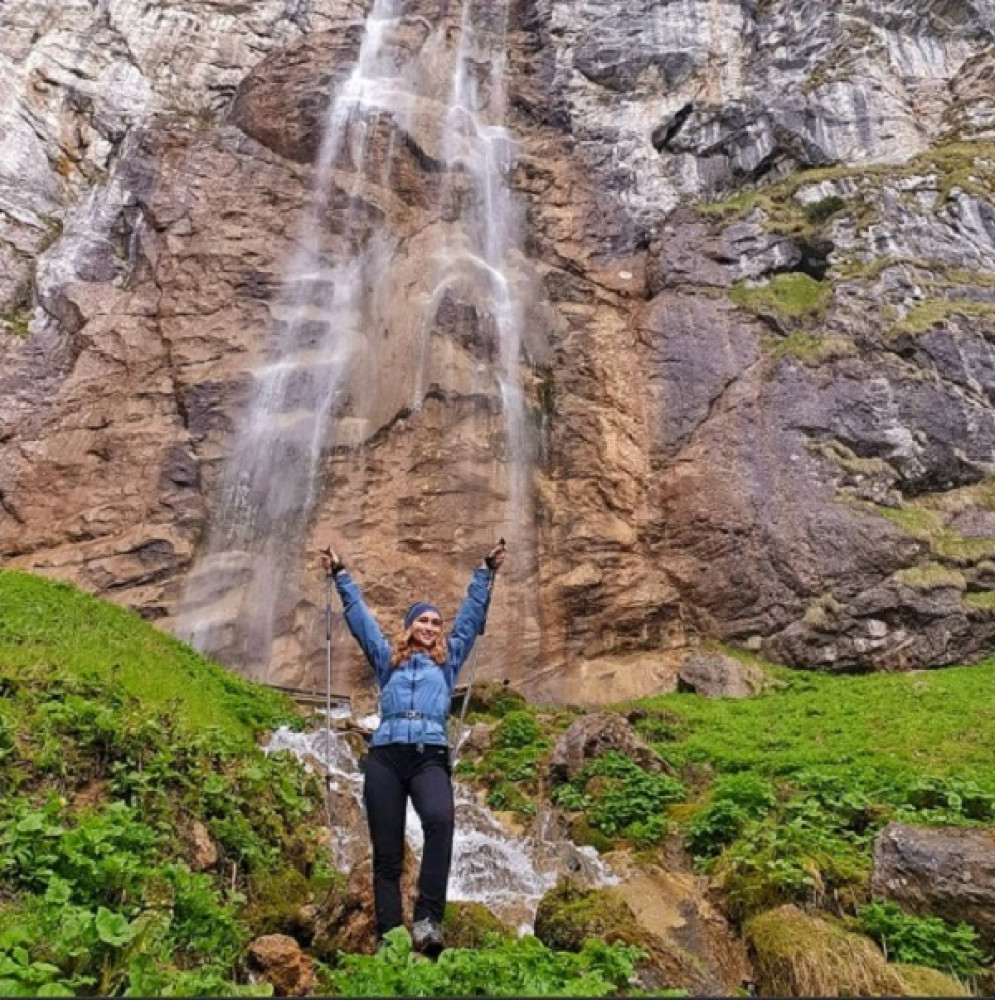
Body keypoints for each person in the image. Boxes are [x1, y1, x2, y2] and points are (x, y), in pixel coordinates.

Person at [318, 538, 507, 956]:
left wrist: (485, 572)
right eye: (422, 620)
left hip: (429, 756)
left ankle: (427, 919)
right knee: (387, 854)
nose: (430, 627)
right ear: (409, 627)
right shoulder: (390, 661)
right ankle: (389, 937)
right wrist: (340, 575)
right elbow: (362, 622)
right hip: (385, 755)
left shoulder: (449, 660)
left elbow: (472, 615)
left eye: (435, 622)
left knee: (440, 821)